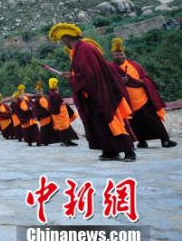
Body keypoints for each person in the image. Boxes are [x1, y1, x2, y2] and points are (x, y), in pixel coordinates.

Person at [49, 23, 136, 162]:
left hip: (100, 92)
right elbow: (84, 71)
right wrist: (71, 74)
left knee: (111, 120)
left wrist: (72, 77)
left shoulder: (84, 49)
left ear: (66, 39)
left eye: (62, 41)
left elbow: (88, 74)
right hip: (93, 93)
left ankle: (128, 150)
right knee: (99, 123)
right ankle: (109, 151)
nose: (62, 43)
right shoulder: (79, 49)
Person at [110, 38, 176, 149]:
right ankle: (142, 142)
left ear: (124, 54)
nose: (119, 56)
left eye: (121, 54)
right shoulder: (111, 68)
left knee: (154, 121)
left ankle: (165, 140)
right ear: (112, 55)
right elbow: (109, 83)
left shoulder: (133, 65)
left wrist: (141, 82)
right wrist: (120, 82)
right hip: (127, 102)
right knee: (136, 124)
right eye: (116, 55)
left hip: (142, 99)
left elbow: (145, 77)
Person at [47, 77, 79, 146]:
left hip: (60, 115)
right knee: (63, 128)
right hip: (59, 115)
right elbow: (58, 104)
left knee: (66, 128)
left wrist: (63, 103)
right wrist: (64, 102)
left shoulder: (52, 94)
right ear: (56, 87)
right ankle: (64, 141)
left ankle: (68, 141)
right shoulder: (54, 95)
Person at [32, 81, 53, 146]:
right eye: (38, 92)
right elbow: (47, 107)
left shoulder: (38, 98)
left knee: (44, 128)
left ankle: (44, 141)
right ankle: (40, 141)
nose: (40, 93)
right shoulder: (41, 99)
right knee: (44, 129)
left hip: (41, 115)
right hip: (44, 115)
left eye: (40, 91)